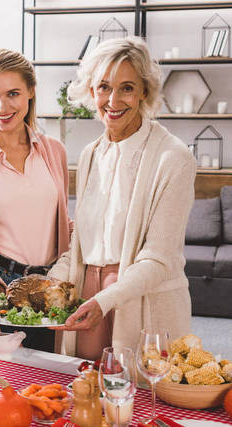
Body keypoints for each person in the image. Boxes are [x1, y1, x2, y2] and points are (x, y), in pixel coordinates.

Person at [48, 37, 196, 359]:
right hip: (87, 296)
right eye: (104, 87)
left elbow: (158, 259)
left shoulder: (174, 158)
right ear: (91, 92)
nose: (113, 100)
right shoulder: (90, 155)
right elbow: (81, 246)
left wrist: (105, 299)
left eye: (126, 88)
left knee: (139, 400)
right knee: (83, 396)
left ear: (144, 91)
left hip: (142, 300)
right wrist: (46, 285)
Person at [0, 49, 72, 352]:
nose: (1, 106)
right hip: (0, 288)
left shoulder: (54, 151)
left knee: (47, 384)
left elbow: (61, 224)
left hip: (49, 288)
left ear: (31, 92)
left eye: (13, 93)